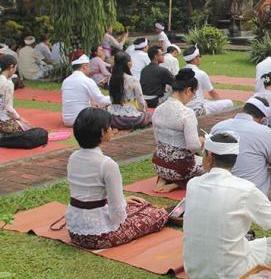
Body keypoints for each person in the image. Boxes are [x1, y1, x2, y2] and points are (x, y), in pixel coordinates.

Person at [184, 132, 271, 279]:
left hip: (194, 272)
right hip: (233, 274)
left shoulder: (193, 184)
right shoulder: (244, 189)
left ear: (209, 156)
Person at [65, 108, 168, 249]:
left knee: (137, 205)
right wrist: (123, 214)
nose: (113, 129)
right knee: (158, 214)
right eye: (109, 127)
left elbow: (88, 195)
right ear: (102, 132)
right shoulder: (107, 164)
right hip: (98, 236)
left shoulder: (73, 157)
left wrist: (123, 202)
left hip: (74, 231)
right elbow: (118, 214)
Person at [211, 97, 271, 202]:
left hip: (220, 189)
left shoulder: (218, 126)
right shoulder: (263, 131)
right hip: (254, 194)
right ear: (263, 120)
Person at [152, 68, 205, 192]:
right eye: (193, 94)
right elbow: (193, 147)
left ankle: (165, 179)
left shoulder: (158, 109)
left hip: (159, 165)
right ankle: (178, 183)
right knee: (211, 167)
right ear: (188, 90)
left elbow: (158, 141)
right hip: (181, 168)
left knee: (172, 158)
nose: (192, 97)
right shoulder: (187, 113)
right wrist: (202, 141)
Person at [61, 52, 111, 127]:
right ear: (84, 66)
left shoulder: (65, 81)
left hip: (67, 120)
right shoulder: (87, 80)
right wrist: (116, 97)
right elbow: (102, 101)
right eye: (88, 66)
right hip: (82, 120)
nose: (89, 68)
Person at [182, 45, 234, 116]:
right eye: (199, 56)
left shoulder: (179, 72)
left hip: (184, 109)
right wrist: (220, 102)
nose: (200, 58)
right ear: (194, 59)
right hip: (197, 111)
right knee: (229, 103)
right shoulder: (201, 73)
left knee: (207, 101)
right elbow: (213, 93)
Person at [106, 52, 151, 130]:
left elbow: (111, 98)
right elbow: (141, 102)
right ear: (128, 64)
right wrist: (142, 111)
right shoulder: (133, 79)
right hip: (130, 117)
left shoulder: (111, 78)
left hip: (113, 117)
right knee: (148, 116)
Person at [0, 54, 39, 140]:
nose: (15, 70)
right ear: (11, 67)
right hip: (3, 120)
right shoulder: (8, 83)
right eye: (15, 68)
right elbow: (7, 107)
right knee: (28, 129)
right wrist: (19, 118)